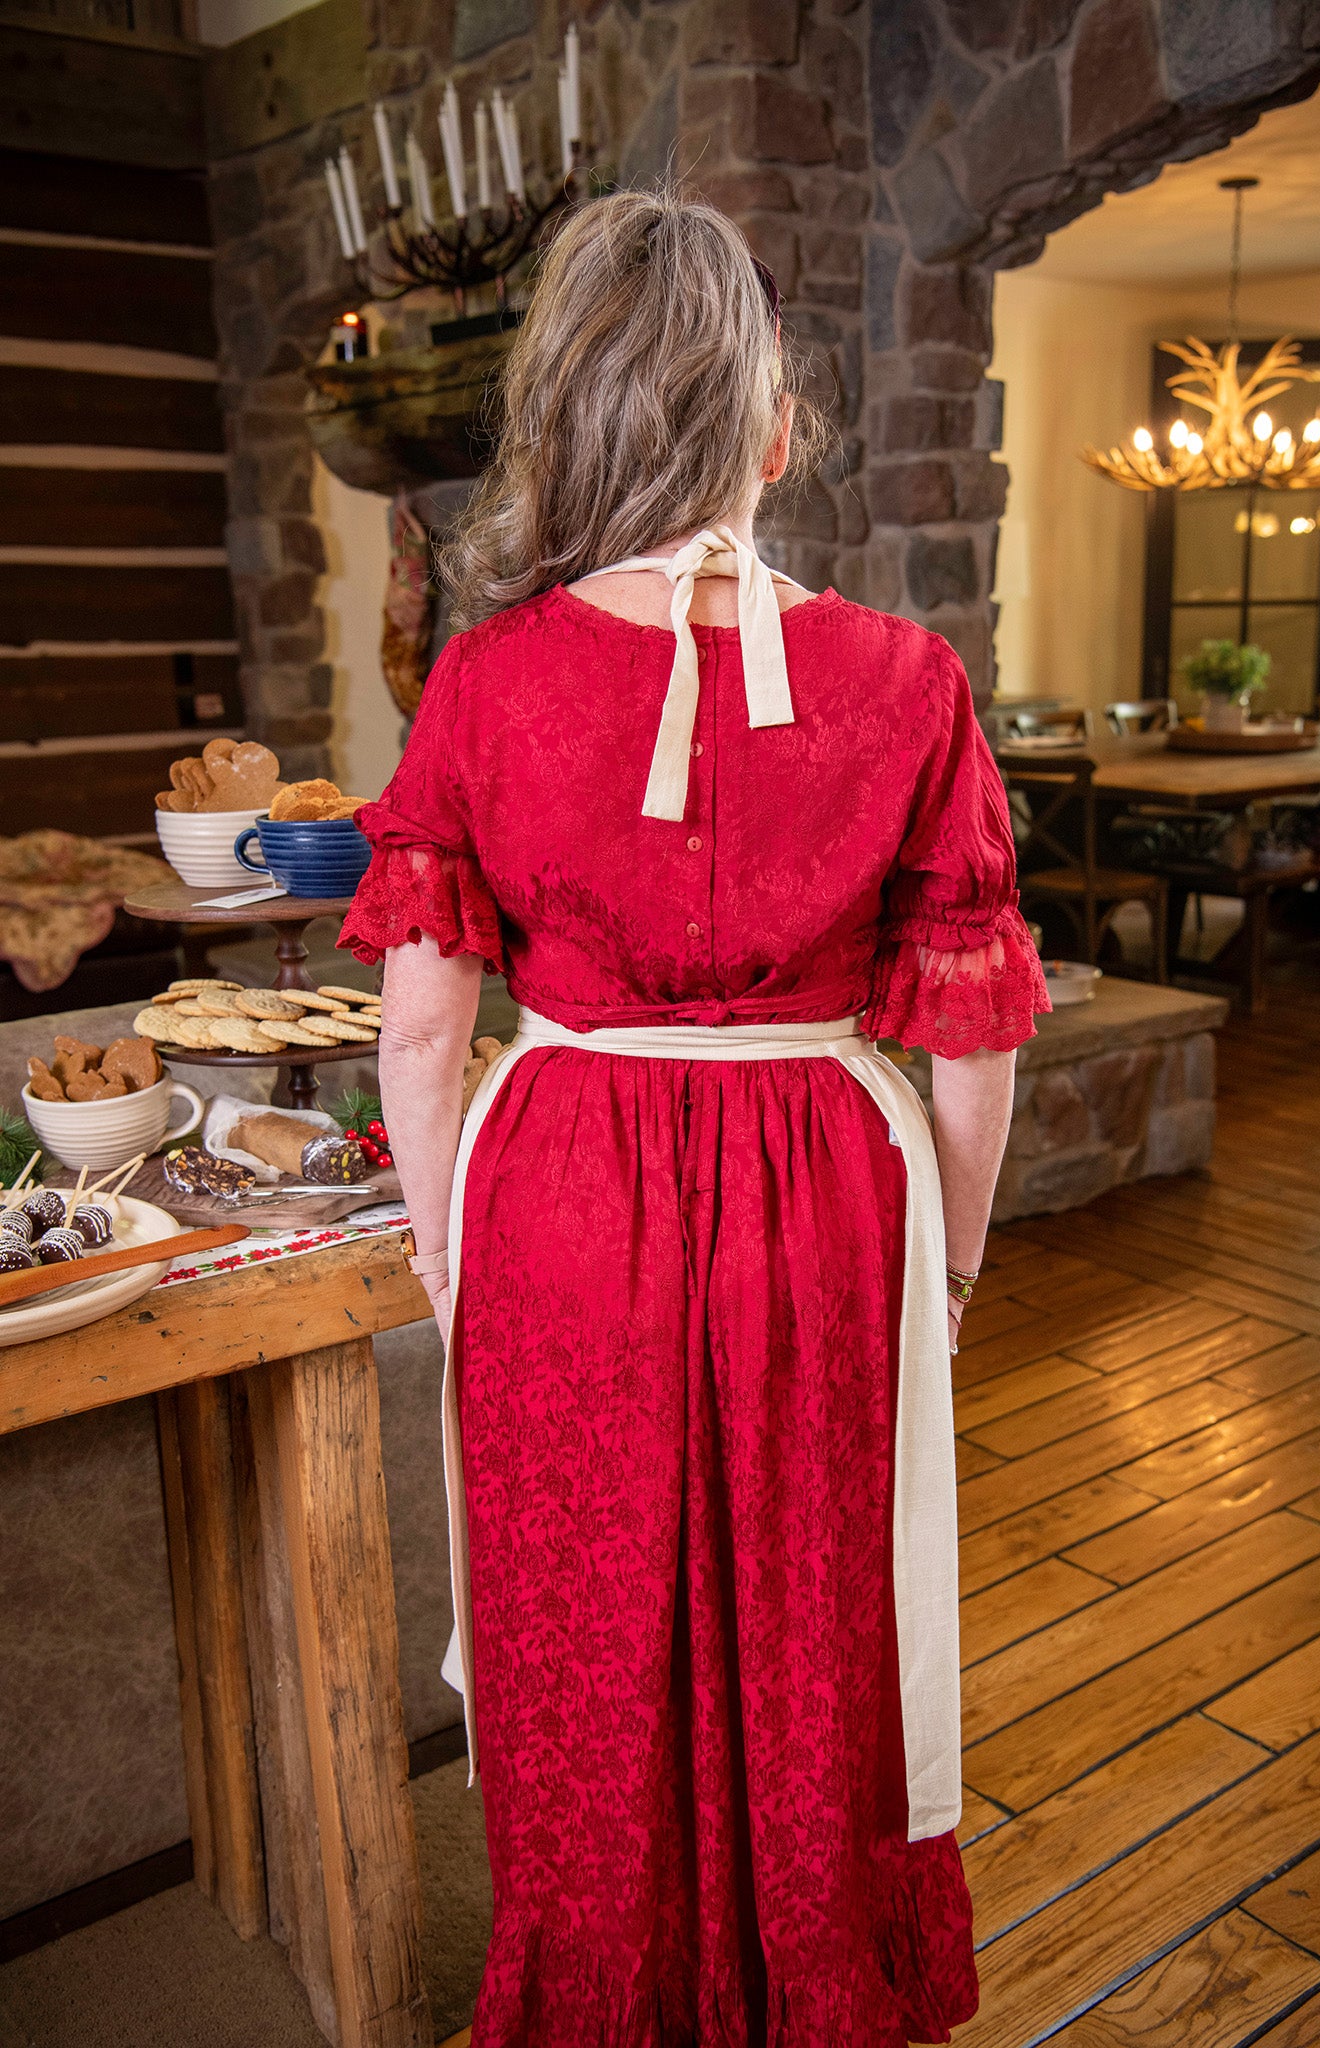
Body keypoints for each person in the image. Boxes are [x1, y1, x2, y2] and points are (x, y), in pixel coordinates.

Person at [340, 188, 1047, 2048]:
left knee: (585, 1630)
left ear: (561, 423)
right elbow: (970, 1044)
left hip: (563, 1188)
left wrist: (441, 1242)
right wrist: (949, 1258)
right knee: (819, 1626)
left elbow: (420, 1030)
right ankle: (819, 1985)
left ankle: (597, 1995)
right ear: (773, 428)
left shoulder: (484, 683)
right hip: (829, 1190)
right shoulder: (909, 682)